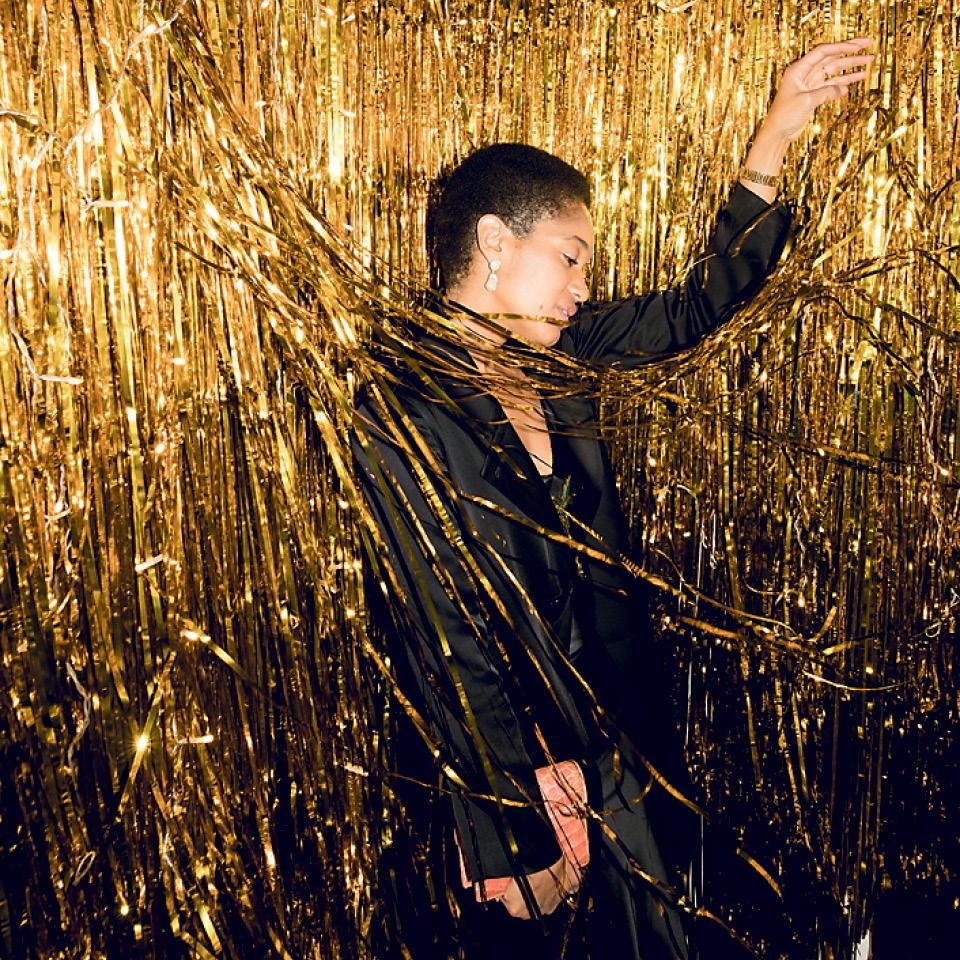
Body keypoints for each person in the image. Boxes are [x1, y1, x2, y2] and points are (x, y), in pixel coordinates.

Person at [352, 39, 874, 960]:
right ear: (494, 244)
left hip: (621, 728)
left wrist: (778, 131)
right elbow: (442, 632)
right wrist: (513, 821)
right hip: (521, 760)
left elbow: (696, 307)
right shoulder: (401, 401)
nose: (582, 287)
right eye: (571, 257)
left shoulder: (563, 349)